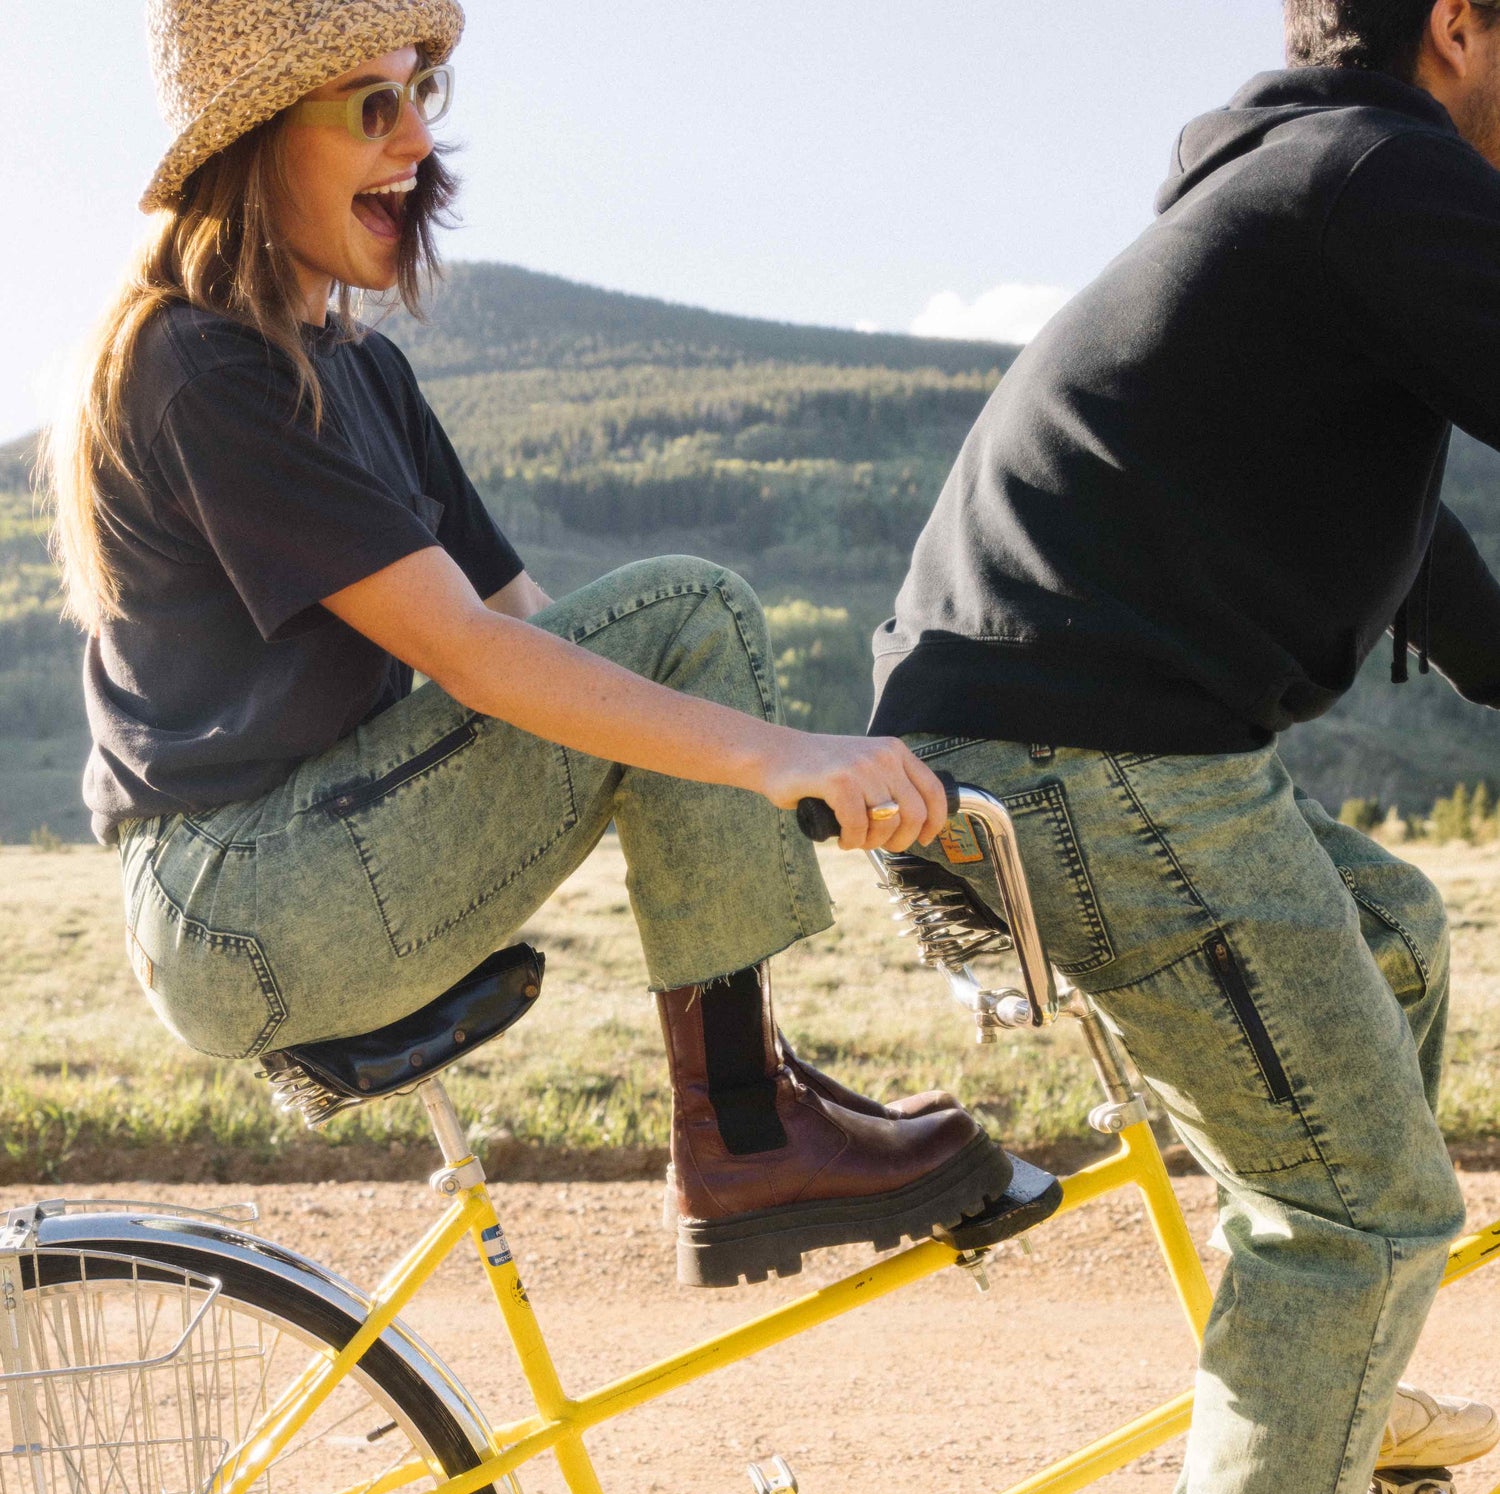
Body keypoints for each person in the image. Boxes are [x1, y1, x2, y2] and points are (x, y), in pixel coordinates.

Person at [49, 0, 1016, 1293]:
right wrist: (780, 756)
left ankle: (749, 1097)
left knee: (679, 632)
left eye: (421, 100)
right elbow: (478, 658)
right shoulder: (200, 361)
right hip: (238, 897)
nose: (417, 151)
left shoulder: (362, 374)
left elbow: (539, 634)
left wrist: (771, 777)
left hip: (303, 864)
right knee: (695, 609)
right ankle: (742, 1128)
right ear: (258, 140)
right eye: (371, 108)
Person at [871, 2, 1500, 1494]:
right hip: (1091, 760)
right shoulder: (1377, 171)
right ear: (1459, 25)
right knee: (1366, 1212)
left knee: (1389, 943)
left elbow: (1436, 578)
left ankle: (1333, 1402)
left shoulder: (1303, 208)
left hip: (1048, 750)